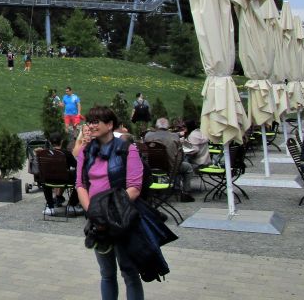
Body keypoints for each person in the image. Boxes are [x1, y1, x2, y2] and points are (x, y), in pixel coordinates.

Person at [76, 106, 144, 300]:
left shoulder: (127, 149)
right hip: (97, 222)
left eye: (96, 122)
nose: (92, 125)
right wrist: (93, 212)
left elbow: (134, 187)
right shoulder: (86, 151)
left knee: (129, 272)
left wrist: (110, 210)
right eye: (90, 122)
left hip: (122, 218)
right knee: (106, 273)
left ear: (109, 124)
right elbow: (80, 184)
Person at [144, 117, 194, 201]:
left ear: (156, 126)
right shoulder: (174, 137)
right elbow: (180, 156)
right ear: (168, 126)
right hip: (170, 168)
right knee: (188, 167)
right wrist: (173, 173)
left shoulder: (148, 135)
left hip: (150, 167)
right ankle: (186, 193)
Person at [41, 131, 78, 215]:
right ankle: (71, 205)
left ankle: (50, 207)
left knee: (45, 180)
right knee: (81, 180)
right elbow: (76, 165)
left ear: (50, 142)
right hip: (65, 180)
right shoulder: (67, 153)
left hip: (49, 181)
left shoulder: (45, 154)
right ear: (62, 141)